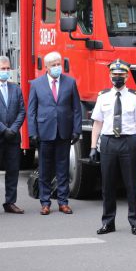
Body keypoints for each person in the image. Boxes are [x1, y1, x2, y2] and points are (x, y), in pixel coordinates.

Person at [89, 59, 136, 235]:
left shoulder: (135, 97)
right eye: (114, 75)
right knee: (107, 185)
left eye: (121, 75)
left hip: (128, 142)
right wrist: (93, 147)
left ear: (127, 76)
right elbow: (97, 124)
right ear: (109, 76)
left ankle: (135, 222)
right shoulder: (103, 96)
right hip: (108, 142)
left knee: (132, 185)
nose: (117, 78)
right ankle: (108, 222)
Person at [28, 51, 82, 216]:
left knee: (63, 168)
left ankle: (63, 202)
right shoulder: (37, 84)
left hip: (64, 132)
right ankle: (45, 202)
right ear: (46, 67)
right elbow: (32, 111)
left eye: (59, 64)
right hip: (45, 132)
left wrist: (76, 130)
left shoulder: (70, 83)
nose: (57, 67)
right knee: (45, 169)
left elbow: (76, 109)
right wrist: (33, 133)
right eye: (54, 65)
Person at [0, 56, 26, 214]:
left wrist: (14, 129)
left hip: (13, 138)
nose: (5, 71)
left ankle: (10, 202)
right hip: (2, 134)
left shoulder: (16, 88)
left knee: (13, 170)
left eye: (7, 68)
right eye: (2, 69)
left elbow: (22, 111)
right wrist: (4, 129)